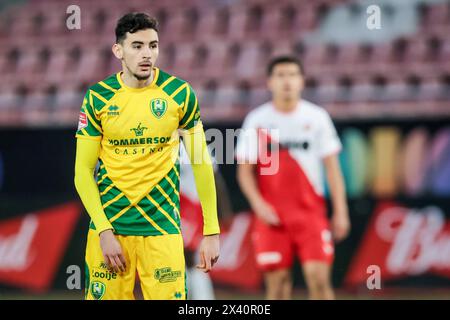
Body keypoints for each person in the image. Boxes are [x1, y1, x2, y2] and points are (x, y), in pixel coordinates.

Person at [74, 12, 220, 300]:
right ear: (118, 50)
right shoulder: (98, 98)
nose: (147, 54)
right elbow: (82, 171)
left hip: (162, 230)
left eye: (153, 46)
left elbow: (202, 164)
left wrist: (211, 231)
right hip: (112, 231)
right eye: (137, 46)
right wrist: (104, 231)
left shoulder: (180, 94)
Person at [236, 56, 350, 300]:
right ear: (270, 82)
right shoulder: (257, 120)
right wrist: (259, 205)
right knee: (277, 287)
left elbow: (333, 169)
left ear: (301, 81)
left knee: (319, 281)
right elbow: (244, 172)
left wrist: (341, 211)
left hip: (310, 214)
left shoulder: (317, 117)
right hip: (272, 218)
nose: (286, 81)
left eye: (292, 75)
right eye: (280, 75)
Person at [179, 144, 233, 300]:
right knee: (178, 256)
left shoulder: (197, 146)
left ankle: (202, 298)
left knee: (189, 255)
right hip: (171, 206)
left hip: (193, 206)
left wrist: (225, 210)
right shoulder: (159, 143)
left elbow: (215, 179)